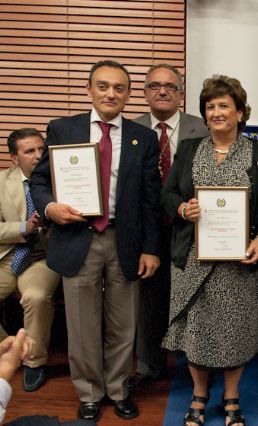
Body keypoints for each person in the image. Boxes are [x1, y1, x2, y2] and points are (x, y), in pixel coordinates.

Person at [30, 60, 162, 421]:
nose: (110, 93)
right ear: (89, 90)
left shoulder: (143, 137)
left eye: (119, 88)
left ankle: (118, 389)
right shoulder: (63, 128)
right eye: (103, 86)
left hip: (125, 239)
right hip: (77, 236)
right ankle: (89, 392)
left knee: (123, 324)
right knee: (82, 322)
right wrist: (50, 207)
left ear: (129, 95)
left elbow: (151, 199)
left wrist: (151, 247)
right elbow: (40, 182)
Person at [161, 75, 258, 426]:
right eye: (210, 106)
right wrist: (184, 209)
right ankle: (199, 394)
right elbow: (167, 195)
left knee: (237, 331)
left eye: (224, 106)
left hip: (240, 262)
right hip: (193, 258)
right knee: (196, 331)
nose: (216, 112)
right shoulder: (187, 150)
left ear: (240, 112)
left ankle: (231, 395)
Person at [130, 64, 209, 393]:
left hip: (192, 227)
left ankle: (199, 365)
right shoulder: (130, 129)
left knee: (196, 297)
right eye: (154, 86)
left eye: (170, 86)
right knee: (148, 298)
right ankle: (149, 364)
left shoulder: (203, 127)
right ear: (146, 92)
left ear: (181, 93)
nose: (162, 91)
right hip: (145, 228)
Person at [0, 129, 60, 393]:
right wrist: (23, 227)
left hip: (43, 259)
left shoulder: (61, 179)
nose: (38, 156)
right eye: (29, 151)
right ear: (14, 158)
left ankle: (34, 363)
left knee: (35, 296)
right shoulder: (1, 182)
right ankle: (9, 348)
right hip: (8, 255)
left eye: (41, 149)